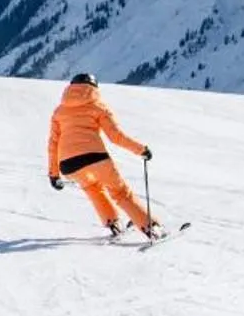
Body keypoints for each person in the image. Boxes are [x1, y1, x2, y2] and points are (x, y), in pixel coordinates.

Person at [47, 73, 163, 240]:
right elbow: (116, 136)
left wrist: (53, 174)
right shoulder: (98, 106)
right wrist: (141, 150)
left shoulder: (59, 111)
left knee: (93, 188)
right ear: (93, 88)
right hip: (95, 156)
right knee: (120, 192)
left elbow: (53, 144)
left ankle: (113, 223)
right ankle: (152, 227)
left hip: (68, 164)